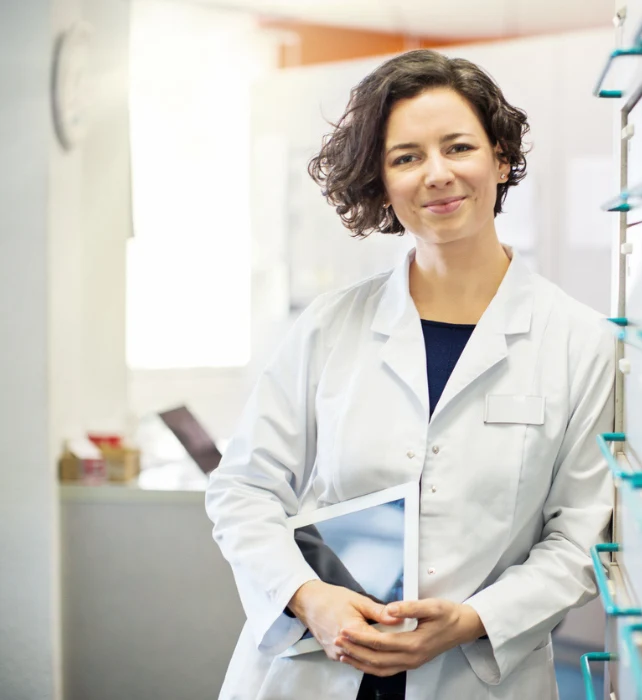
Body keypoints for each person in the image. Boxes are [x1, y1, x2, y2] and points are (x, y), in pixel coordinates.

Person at [205, 49, 614, 700]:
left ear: (501, 159)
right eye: (406, 157)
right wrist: (310, 599)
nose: (437, 175)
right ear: (382, 182)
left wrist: (472, 620)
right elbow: (244, 490)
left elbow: (577, 538)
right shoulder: (328, 327)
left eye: (458, 147)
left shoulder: (580, 342)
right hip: (314, 666)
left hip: (475, 673)